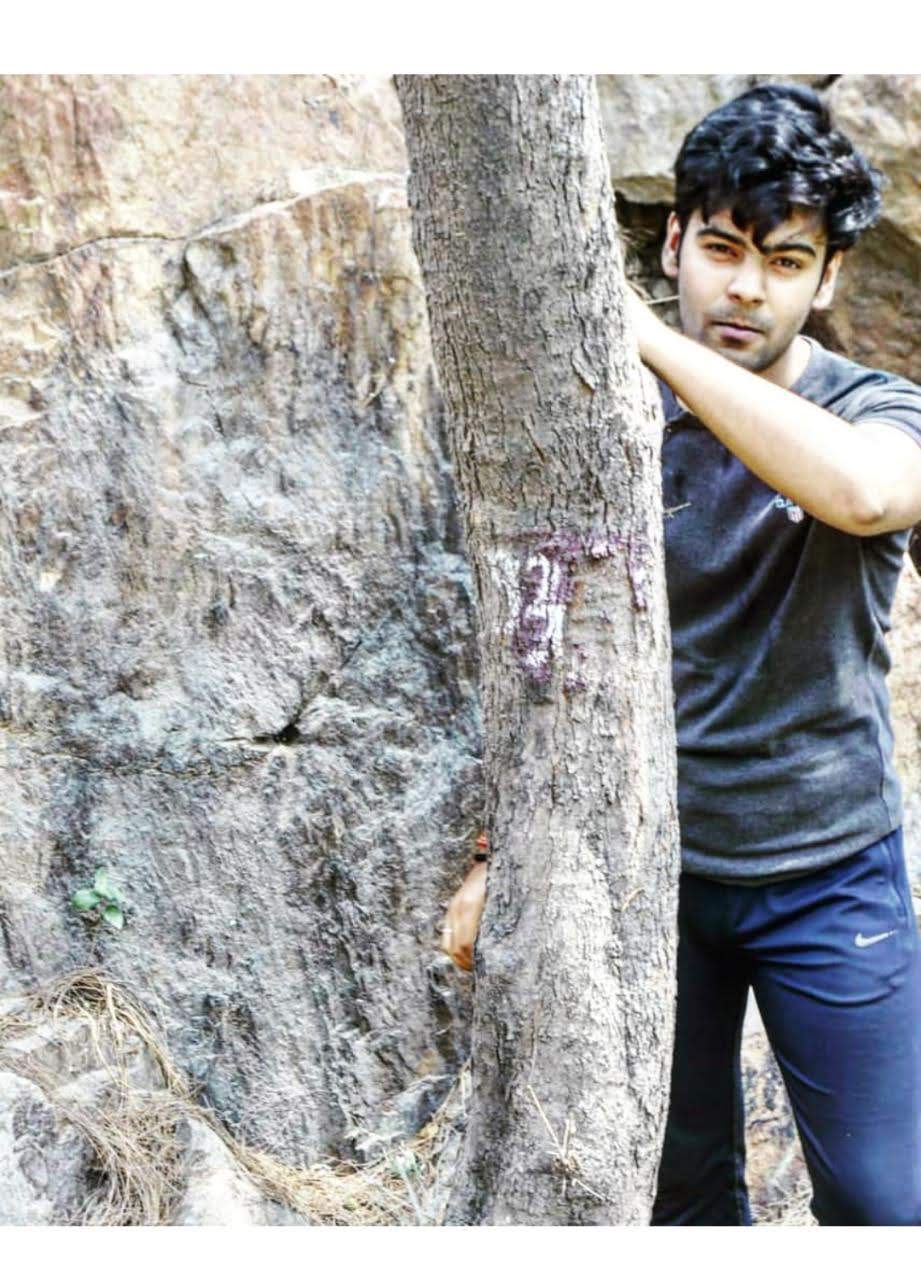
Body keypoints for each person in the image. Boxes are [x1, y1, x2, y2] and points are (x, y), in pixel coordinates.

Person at [439, 82, 921, 1226]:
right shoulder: (598, 423)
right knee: (678, 1195)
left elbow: (865, 495)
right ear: (673, 243)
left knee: (887, 1204)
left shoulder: (880, 409)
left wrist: (646, 335)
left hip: (829, 866)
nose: (746, 287)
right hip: (650, 867)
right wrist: (500, 856)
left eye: (785, 261)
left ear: (828, 279)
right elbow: (542, 651)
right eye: (720, 249)